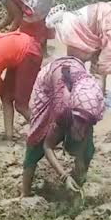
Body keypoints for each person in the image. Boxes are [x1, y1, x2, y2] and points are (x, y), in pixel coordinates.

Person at [22, 57, 105, 196]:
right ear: (71, 118)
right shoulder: (63, 111)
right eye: (77, 122)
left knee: (88, 150)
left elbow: (100, 80)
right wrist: (64, 176)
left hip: (75, 74)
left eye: (84, 124)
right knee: (36, 138)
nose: (81, 126)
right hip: (49, 81)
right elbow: (47, 146)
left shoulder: (91, 111)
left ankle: (77, 187)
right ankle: (24, 192)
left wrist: (80, 160)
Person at [45, 2, 111, 94]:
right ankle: (98, 99)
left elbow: (75, 62)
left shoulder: (67, 28)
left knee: (94, 72)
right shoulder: (72, 18)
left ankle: (91, 100)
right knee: (97, 71)